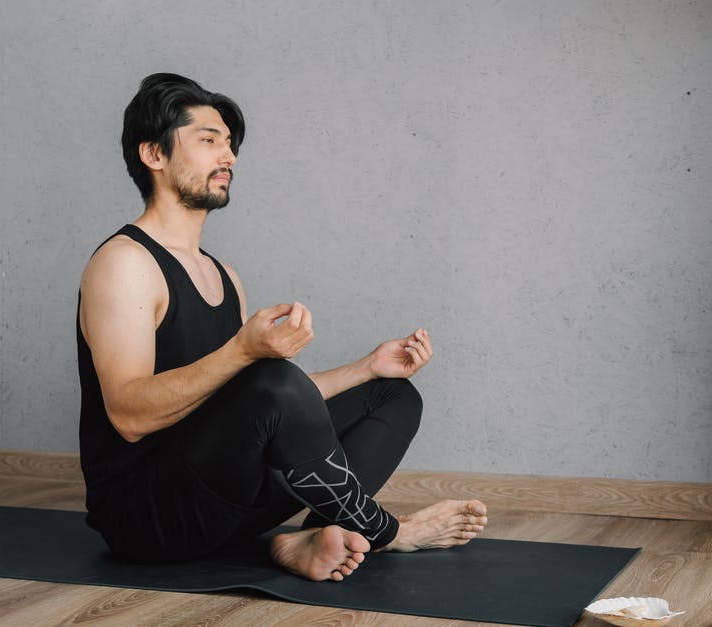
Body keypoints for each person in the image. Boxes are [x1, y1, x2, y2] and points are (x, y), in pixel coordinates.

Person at [77, 73, 488, 581]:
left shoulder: (223, 275)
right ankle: (388, 533)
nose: (228, 157)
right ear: (154, 155)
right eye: (208, 141)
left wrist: (366, 367)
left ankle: (316, 536)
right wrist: (245, 351)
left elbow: (267, 406)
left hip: (224, 502)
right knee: (276, 380)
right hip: (149, 519)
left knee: (392, 394)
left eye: (230, 145)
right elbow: (128, 415)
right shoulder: (124, 263)